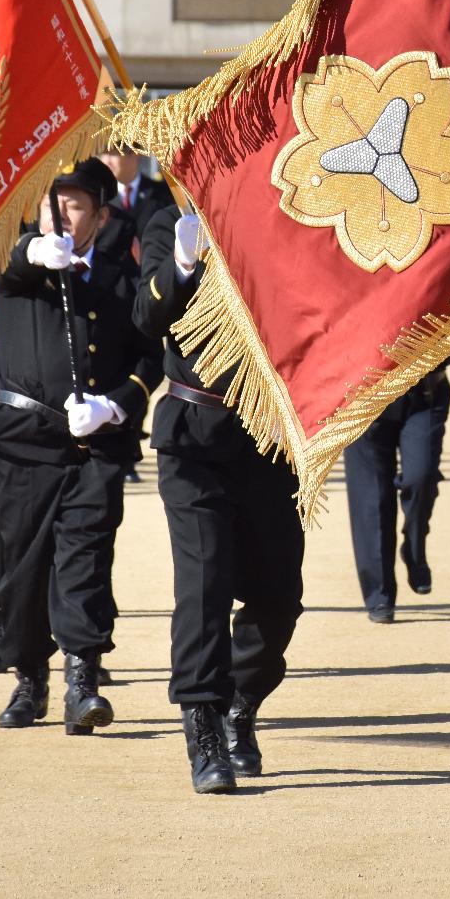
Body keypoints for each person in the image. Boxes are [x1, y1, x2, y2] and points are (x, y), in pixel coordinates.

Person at [0, 159, 158, 736]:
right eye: (54, 203)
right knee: (22, 571)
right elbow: (3, 272)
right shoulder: (21, 262)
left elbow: (150, 355)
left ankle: (84, 679)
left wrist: (118, 404)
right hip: (21, 445)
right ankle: (31, 678)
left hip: (91, 449)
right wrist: (31, 251)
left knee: (85, 562)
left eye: (76, 205)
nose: (63, 214)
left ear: (100, 217)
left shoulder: (120, 279)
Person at [134, 198, 307, 795]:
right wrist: (183, 260)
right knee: (204, 586)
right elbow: (145, 317)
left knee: (278, 598)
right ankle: (203, 725)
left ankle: (241, 703)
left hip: (270, 438)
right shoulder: (170, 221)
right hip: (195, 436)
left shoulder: (291, 208)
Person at [344, 335, 450, 622]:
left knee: (422, 478)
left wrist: (432, 356)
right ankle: (379, 595)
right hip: (361, 395)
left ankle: (415, 546)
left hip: (424, 394)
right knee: (372, 499)